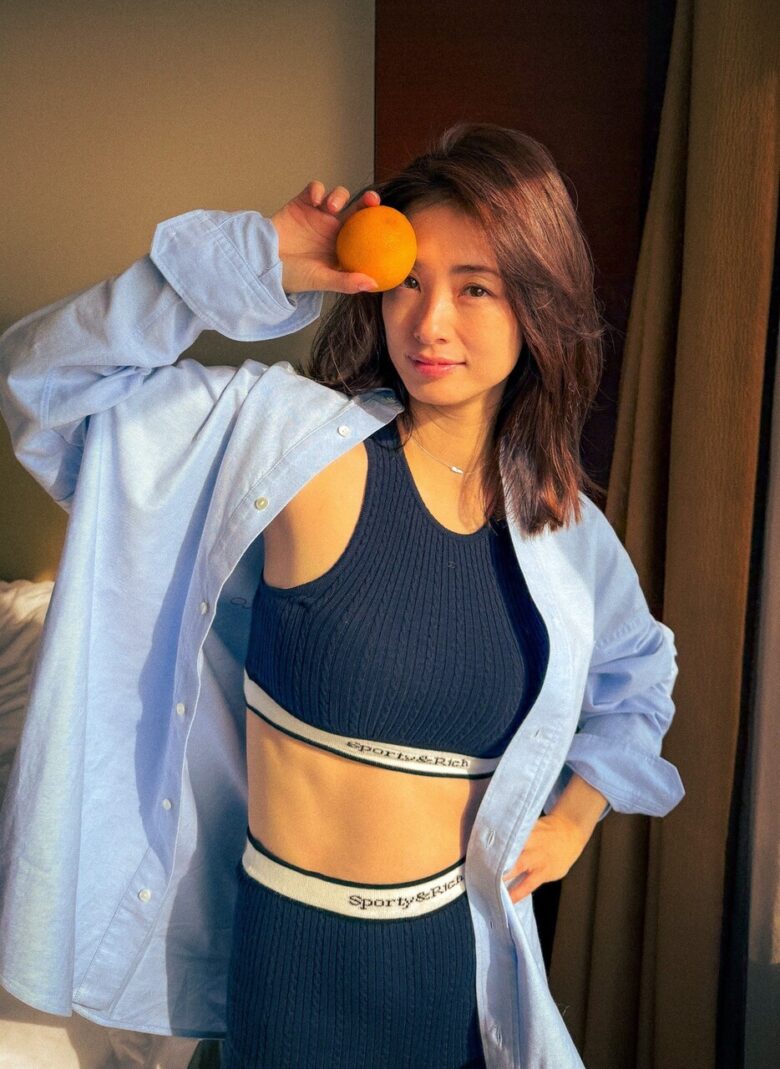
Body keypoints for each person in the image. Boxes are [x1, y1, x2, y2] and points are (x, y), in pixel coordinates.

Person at [0, 124, 685, 1069]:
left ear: (537, 305)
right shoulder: (288, 443)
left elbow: (640, 675)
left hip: (451, 969)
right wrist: (260, 262)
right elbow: (47, 384)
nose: (429, 322)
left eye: (475, 287)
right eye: (410, 281)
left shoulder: (565, 533)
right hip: (290, 967)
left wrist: (573, 819)